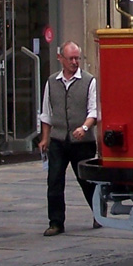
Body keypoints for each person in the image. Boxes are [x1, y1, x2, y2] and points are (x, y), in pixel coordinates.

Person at [39, 42, 98, 236]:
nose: (74, 62)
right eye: (71, 58)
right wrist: (45, 138)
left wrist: (84, 127)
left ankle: (98, 212)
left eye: (77, 58)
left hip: (83, 141)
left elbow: (94, 111)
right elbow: (47, 113)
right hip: (58, 139)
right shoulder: (51, 81)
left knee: (87, 181)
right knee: (54, 180)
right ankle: (56, 222)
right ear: (60, 59)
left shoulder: (89, 81)